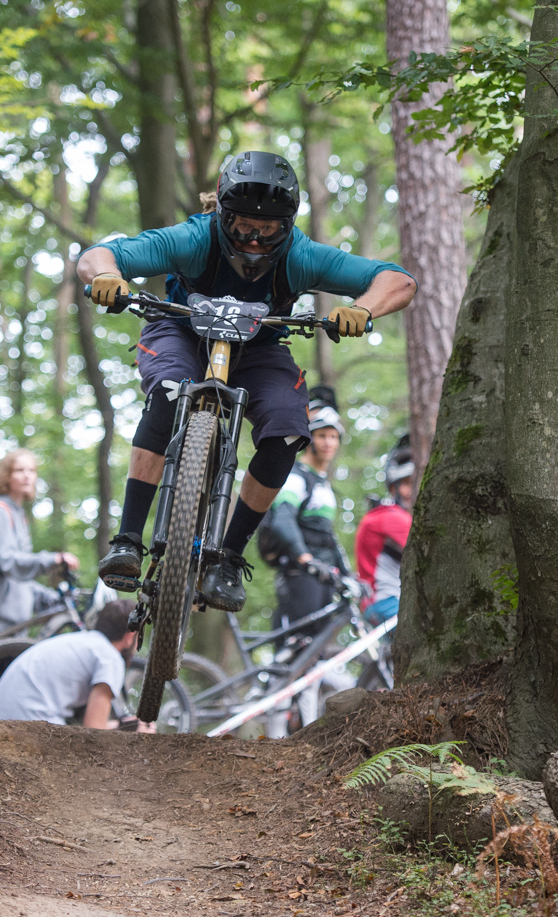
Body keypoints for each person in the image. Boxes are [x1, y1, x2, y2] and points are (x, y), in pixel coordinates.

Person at [80, 150, 416, 613]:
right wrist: (105, 276)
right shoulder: (194, 238)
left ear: (288, 225)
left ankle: (229, 558)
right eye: (242, 226)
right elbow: (103, 254)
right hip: (180, 330)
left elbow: (396, 281)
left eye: (270, 229)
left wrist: (361, 310)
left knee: (287, 430)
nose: (255, 239)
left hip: (259, 350)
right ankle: (128, 540)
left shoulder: (301, 255)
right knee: (167, 395)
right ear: (221, 212)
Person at [0, 600, 152, 731]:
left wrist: (120, 724)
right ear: (130, 635)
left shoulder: (81, 641)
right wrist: (132, 731)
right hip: (26, 723)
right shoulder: (110, 658)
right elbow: (94, 730)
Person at [0, 449, 80, 638]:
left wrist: (52, 597)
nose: (27, 476)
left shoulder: (18, 514)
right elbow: (9, 562)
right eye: (19, 470)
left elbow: (20, 579)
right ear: (6, 476)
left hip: (13, 623)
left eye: (32, 470)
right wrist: (54, 559)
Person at [258, 404, 350, 632]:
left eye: (333, 436)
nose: (328, 442)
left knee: (317, 650)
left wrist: (349, 576)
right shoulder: (296, 476)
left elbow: (327, 536)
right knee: (298, 645)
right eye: (321, 436)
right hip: (300, 572)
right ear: (310, 440)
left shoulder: (323, 484)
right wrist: (304, 558)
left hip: (325, 576)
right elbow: (283, 519)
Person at [355, 438, 414, 624]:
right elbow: (433, 556)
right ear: (393, 488)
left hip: (384, 602)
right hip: (387, 601)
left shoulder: (382, 514)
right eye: (407, 484)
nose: (413, 491)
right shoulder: (390, 516)